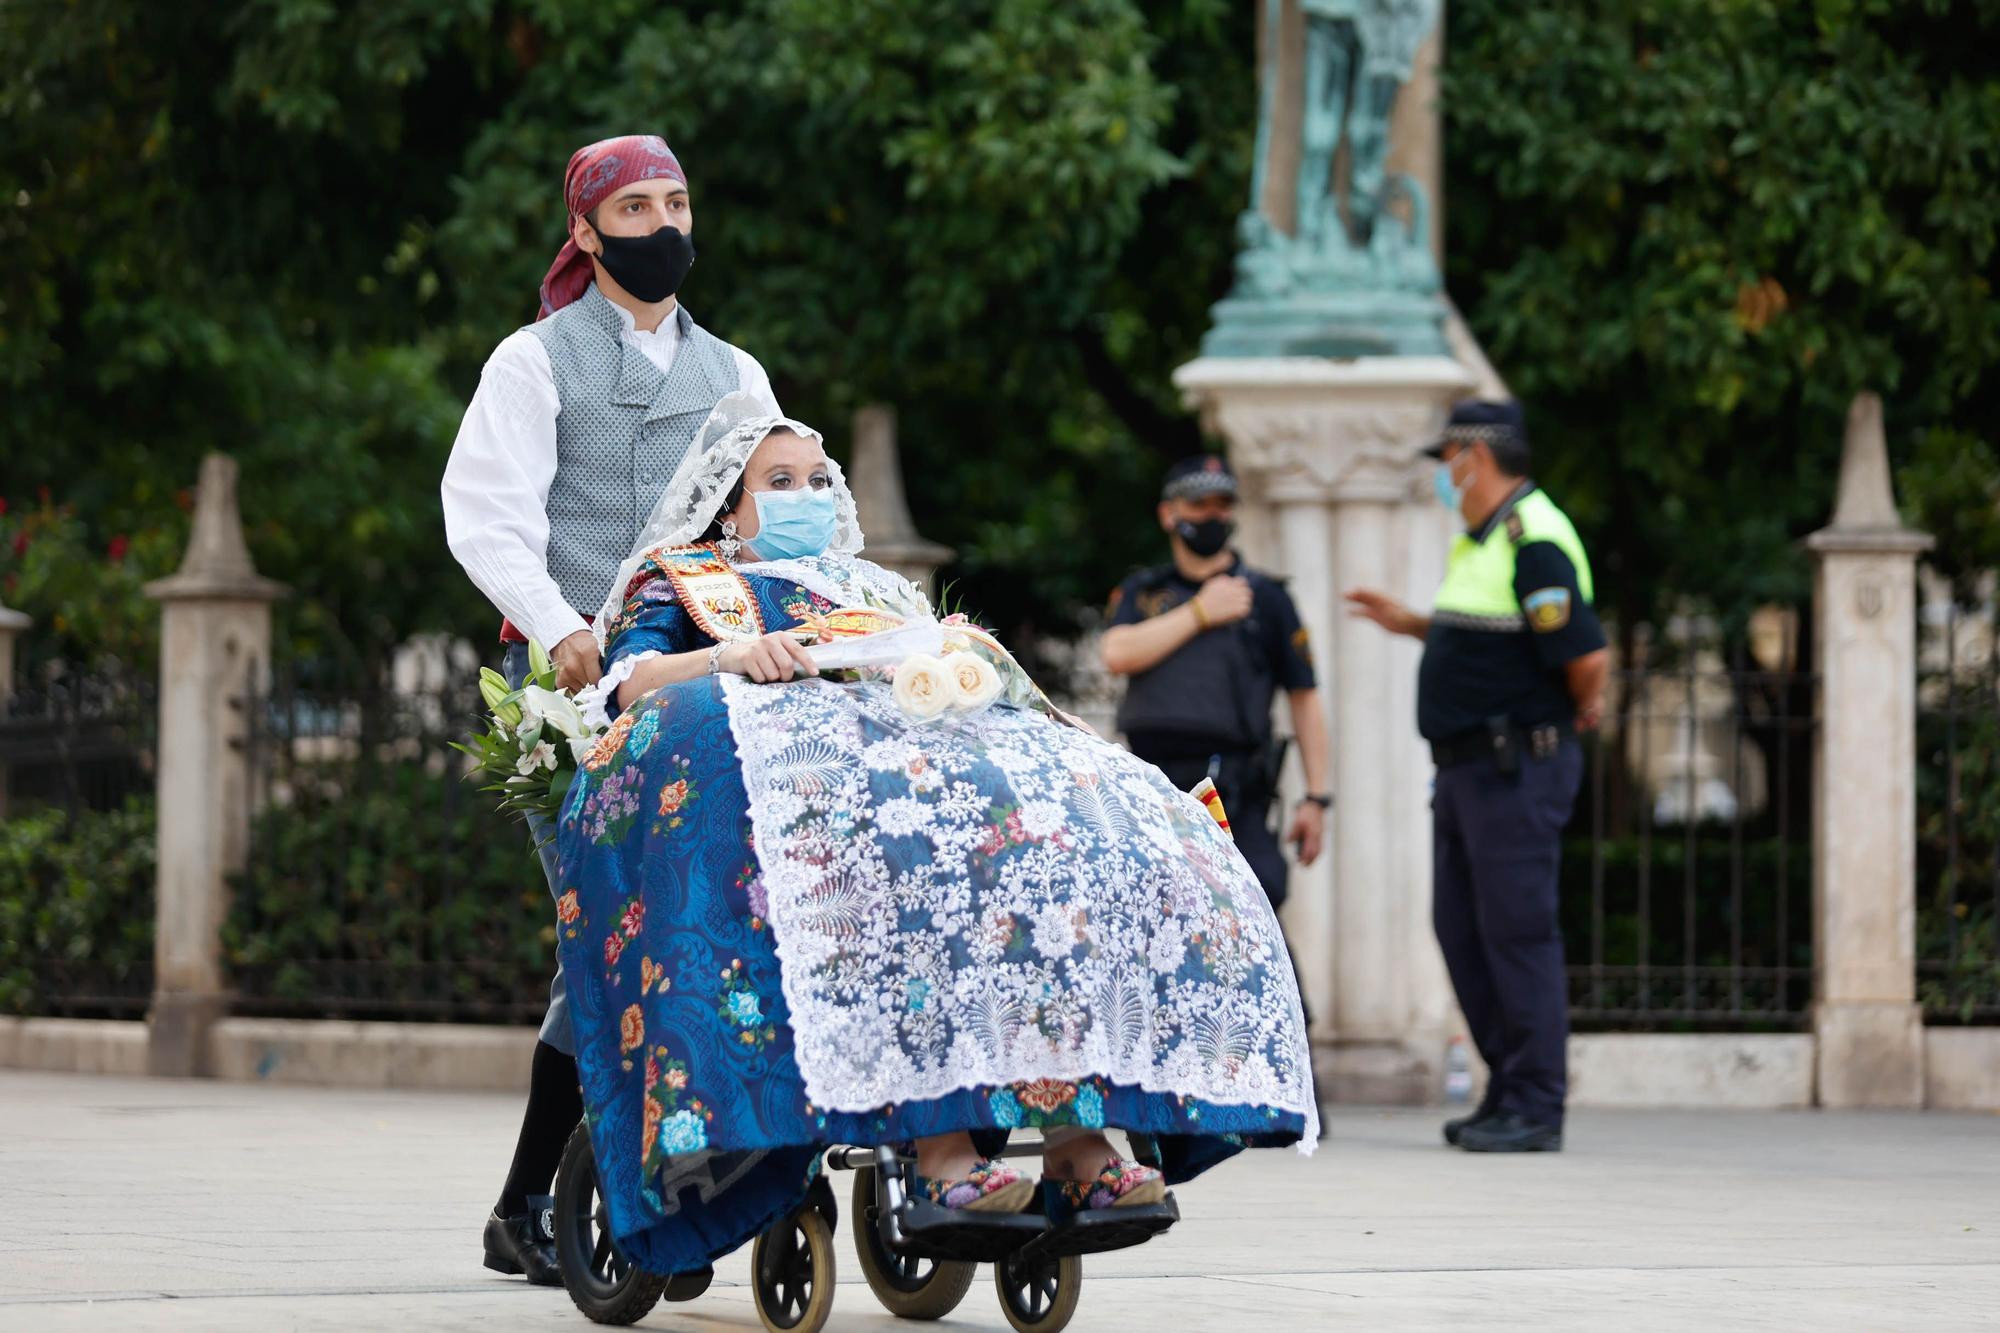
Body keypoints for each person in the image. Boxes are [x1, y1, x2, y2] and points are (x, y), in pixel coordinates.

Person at [552, 395, 1317, 1275]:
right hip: (813, 788)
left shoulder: (873, 587)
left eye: (815, 478)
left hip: (931, 760)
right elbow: (630, 685)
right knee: (915, 864)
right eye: (779, 480)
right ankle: (941, 1149)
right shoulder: (686, 580)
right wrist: (729, 656)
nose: (806, 493)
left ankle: (1077, 1142)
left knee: (1045, 844)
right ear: (731, 504)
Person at [440, 133, 779, 1283]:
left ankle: (544, 1203)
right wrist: (560, 626)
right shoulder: (533, 361)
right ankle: (579, 1198)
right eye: (634, 206)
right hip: (576, 693)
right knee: (611, 927)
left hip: (702, 684)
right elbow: (485, 515)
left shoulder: (735, 373)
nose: (662, 222)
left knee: (656, 930)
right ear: (584, 231)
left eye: (677, 199)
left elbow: (780, 505)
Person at [1345, 400, 1608, 1154]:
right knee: (1462, 928)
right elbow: (1503, 638)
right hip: (1469, 772)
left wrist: (1578, 711)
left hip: (1515, 767)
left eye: (1447, 459)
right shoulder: (1484, 541)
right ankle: (1509, 1087)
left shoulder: (1535, 539)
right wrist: (1415, 624)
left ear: (1476, 456)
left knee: (1518, 932)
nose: (1442, 475)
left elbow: (1587, 657)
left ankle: (1536, 1102)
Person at [1099, 455, 1330, 911]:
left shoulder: (1266, 597)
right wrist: (1201, 613)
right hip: (1150, 785)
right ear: (1169, 514)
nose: (1212, 515)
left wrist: (1317, 798)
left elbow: (1304, 697)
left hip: (1234, 791)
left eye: (1222, 504)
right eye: (1198, 503)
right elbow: (1116, 653)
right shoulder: (1143, 592)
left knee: (1252, 914)